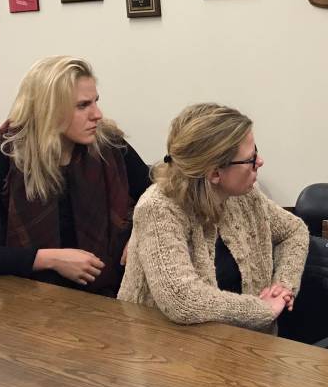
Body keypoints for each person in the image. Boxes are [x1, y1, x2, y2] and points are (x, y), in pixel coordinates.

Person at [0, 56, 150, 297]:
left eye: (95, 101)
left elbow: (158, 203)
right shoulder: (1, 161)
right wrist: (50, 259)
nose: (97, 114)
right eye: (83, 106)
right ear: (48, 109)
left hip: (112, 297)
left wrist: (139, 235)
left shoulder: (111, 147)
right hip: (31, 302)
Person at [117, 103, 308, 331]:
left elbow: (293, 231)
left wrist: (283, 285)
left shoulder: (244, 195)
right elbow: (182, 298)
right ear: (215, 173)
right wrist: (260, 309)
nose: (260, 161)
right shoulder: (158, 208)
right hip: (166, 351)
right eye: (250, 159)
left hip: (242, 347)